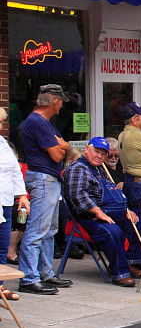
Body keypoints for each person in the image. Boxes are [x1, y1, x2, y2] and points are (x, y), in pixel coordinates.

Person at [63, 137, 141, 287]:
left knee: (140, 224)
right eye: (96, 152)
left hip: (113, 212)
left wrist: (126, 210)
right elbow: (77, 196)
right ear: (87, 149)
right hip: (90, 216)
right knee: (113, 232)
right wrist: (98, 212)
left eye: (103, 154)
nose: (99, 156)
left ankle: (130, 263)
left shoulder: (100, 169)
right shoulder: (78, 168)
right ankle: (120, 272)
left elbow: (113, 192)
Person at [17, 84, 73, 295]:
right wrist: (64, 147)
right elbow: (58, 154)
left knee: (49, 230)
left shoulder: (45, 122)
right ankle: (29, 278)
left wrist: (64, 146)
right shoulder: (39, 122)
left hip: (47, 178)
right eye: (61, 102)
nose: (61, 106)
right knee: (37, 230)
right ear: (54, 101)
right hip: (42, 178)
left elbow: (63, 147)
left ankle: (45, 273)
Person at [0, 107, 29, 301]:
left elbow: (15, 171)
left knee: (2, 246)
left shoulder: (2, 143)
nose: (1, 125)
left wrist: (23, 196)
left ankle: (0, 286)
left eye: (1, 122)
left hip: (6, 202)